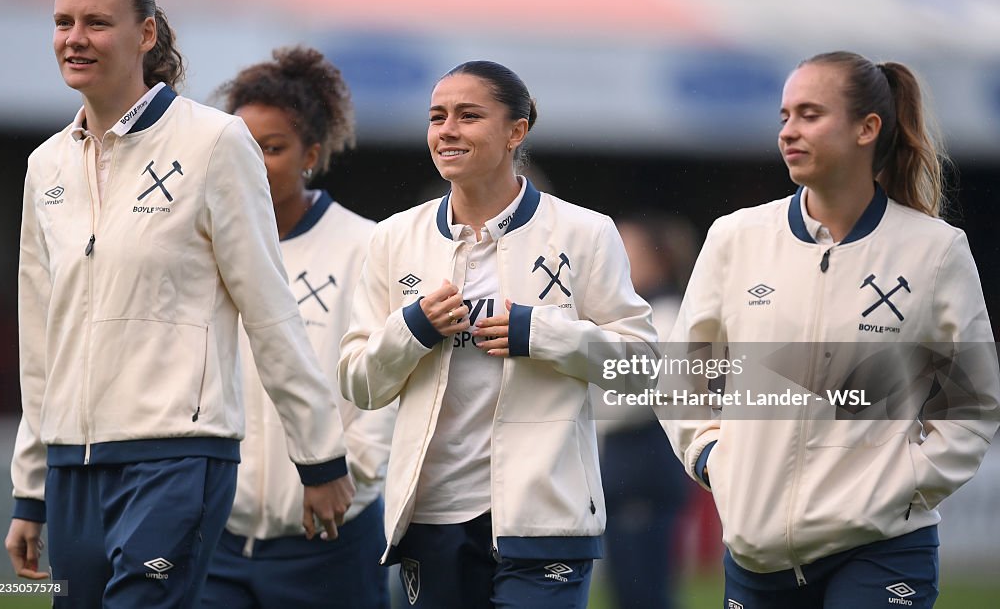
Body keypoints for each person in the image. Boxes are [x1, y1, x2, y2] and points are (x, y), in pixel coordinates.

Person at [5, 0, 353, 608]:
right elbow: (39, 336)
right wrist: (31, 487)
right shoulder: (44, 165)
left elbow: (269, 307)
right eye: (63, 22)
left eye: (97, 22)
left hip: (178, 458)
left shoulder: (215, 143)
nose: (74, 37)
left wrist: (320, 455)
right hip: (73, 466)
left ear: (145, 35)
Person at [659, 51, 1000, 609]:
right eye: (784, 116)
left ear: (868, 129)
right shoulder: (736, 237)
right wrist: (710, 455)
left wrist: (903, 484)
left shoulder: (936, 250)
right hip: (755, 553)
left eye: (810, 114)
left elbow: (974, 401)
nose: (789, 132)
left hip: (882, 547)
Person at [338, 60, 659, 608]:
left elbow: (641, 366)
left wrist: (542, 333)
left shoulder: (584, 231)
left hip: (545, 518)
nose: (447, 130)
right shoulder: (393, 238)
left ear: (517, 131)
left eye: (469, 116)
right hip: (431, 518)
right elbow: (360, 383)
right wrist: (413, 327)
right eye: (437, 116)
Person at [202, 46, 394, 608]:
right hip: (214, 536)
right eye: (242, 147)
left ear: (311, 153)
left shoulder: (367, 245)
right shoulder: (200, 243)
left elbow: (386, 378)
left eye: (274, 148)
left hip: (332, 535)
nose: (255, 162)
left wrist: (348, 480)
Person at [599, 214, 698, 609]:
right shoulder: (632, 317)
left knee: (646, 593)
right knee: (626, 590)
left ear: (656, 260)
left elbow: (630, 399)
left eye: (626, 253)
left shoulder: (669, 314)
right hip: (625, 474)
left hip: (647, 472)